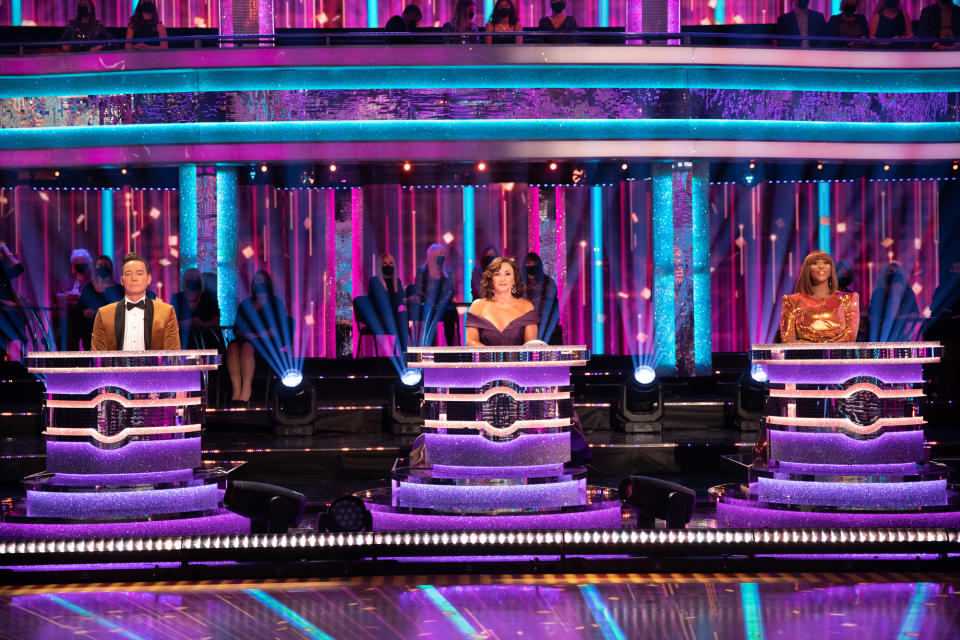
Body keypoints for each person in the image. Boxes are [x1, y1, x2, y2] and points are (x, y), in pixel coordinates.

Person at [91, 252, 179, 350]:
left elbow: (173, 356)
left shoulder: (166, 312)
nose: (134, 278)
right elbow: (97, 358)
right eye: (128, 274)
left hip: (155, 365)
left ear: (149, 279)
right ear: (122, 280)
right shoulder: (103, 314)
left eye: (139, 273)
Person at [227, 270, 289, 404]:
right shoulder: (246, 303)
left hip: (266, 344)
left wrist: (254, 335)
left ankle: (246, 390)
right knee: (232, 347)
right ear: (253, 285)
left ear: (268, 284)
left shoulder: (275, 303)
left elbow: (276, 330)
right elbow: (237, 327)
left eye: (263, 281)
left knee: (246, 347)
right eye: (257, 281)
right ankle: (236, 390)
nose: (260, 284)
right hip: (245, 339)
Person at [780, 250, 859, 343]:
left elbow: (849, 337)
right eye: (815, 263)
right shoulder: (791, 301)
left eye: (826, 262)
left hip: (837, 356)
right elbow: (788, 339)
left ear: (831, 269)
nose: (821, 266)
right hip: (804, 356)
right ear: (807, 269)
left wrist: (823, 350)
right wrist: (814, 352)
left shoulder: (848, 299)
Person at [466, 257, 538, 346]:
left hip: (517, 360)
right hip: (485, 359)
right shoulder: (478, 306)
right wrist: (494, 357)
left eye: (507, 274)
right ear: (491, 280)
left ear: (514, 279)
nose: (502, 279)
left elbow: (531, 348)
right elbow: (471, 342)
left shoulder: (527, 307)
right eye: (497, 274)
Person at [412, 244, 456, 346]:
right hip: (428, 305)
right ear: (433, 254)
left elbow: (450, 291)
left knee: (450, 314)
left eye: (444, 253)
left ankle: (451, 348)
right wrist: (431, 303)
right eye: (441, 253)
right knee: (429, 314)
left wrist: (441, 304)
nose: (443, 255)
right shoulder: (422, 271)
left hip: (444, 306)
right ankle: (431, 347)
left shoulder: (447, 272)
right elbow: (419, 290)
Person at [77, 255, 124, 349]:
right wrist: (84, 312)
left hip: (111, 334)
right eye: (100, 265)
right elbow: (79, 308)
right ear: (95, 268)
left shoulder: (119, 290)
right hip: (90, 333)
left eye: (105, 265)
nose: (102, 267)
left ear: (110, 268)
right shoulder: (88, 289)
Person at [367, 253, 409, 354]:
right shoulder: (375, 281)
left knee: (403, 317)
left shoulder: (397, 282)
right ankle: (401, 354)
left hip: (395, 317)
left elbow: (401, 301)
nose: (388, 266)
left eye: (391, 263)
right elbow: (375, 303)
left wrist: (408, 300)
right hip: (379, 318)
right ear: (380, 266)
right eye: (385, 264)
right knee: (399, 320)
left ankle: (404, 355)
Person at [869, 262, 920, 342]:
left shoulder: (908, 293)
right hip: (883, 336)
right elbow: (875, 317)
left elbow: (914, 314)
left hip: (906, 334)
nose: (894, 274)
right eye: (890, 272)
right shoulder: (878, 294)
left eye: (897, 271)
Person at [170, 268, 221, 349]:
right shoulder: (177, 298)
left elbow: (217, 320)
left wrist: (202, 325)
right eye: (190, 280)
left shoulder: (208, 297)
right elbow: (171, 323)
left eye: (196, 280)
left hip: (208, 340)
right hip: (182, 342)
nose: (193, 283)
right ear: (184, 282)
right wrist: (188, 322)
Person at [522, 252, 561, 343]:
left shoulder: (548, 283)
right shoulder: (519, 284)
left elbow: (552, 304)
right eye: (528, 264)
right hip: (524, 328)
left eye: (535, 264)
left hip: (546, 328)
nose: (532, 266)